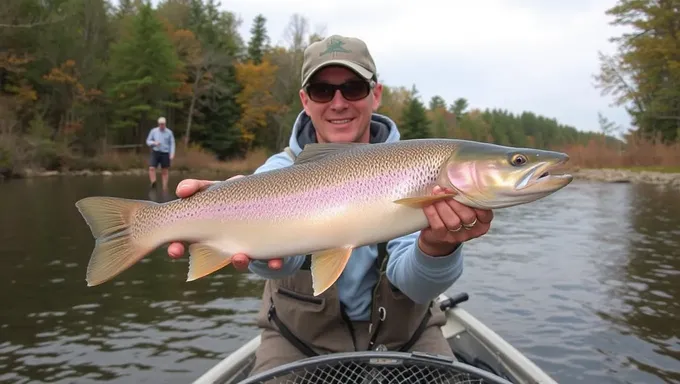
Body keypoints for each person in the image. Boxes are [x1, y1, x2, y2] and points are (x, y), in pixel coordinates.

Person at [166, 35, 494, 375]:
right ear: (305, 100)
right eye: (323, 90)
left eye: (353, 88)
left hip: (406, 339)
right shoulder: (278, 171)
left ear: (375, 94)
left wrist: (437, 247)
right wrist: (255, 247)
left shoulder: (417, 168)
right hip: (298, 340)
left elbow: (416, 285)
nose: (339, 103)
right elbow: (283, 262)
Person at [145, 116, 176, 191]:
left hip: (165, 152)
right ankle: (153, 183)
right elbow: (148, 141)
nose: (162, 125)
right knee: (151, 168)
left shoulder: (169, 132)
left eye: (163, 124)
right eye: (160, 124)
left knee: (164, 170)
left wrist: (172, 153)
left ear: (165, 124)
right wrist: (154, 143)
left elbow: (172, 143)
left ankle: (165, 187)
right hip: (155, 151)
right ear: (158, 124)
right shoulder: (154, 131)